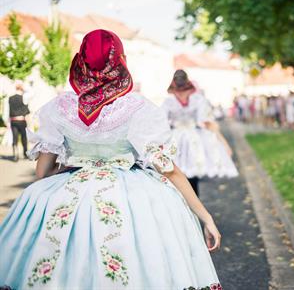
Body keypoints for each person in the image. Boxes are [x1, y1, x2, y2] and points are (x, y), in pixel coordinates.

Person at [0, 30, 222, 290]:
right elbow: (168, 170)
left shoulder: (59, 107)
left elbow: (42, 172)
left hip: (72, 187)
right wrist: (205, 217)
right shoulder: (136, 107)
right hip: (131, 192)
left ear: (80, 61)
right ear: (120, 61)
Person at [162, 69, 238, 197]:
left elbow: (208, 123)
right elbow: (161, 124)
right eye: (178, 91)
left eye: (183, 91)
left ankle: (193, 207)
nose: (181, 95)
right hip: (180, 139)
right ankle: (185, 207)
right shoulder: (169, 102)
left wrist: (224, 144)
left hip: (190, 139)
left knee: (191, 174)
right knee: (177, 174)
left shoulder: (196, 100)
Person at [7, 83, 30, 161]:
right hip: (21, 120)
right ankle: (25, 153)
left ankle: (15, 154)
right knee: (23, 137)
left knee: (15, 137)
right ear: (21, 89)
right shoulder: (24, 98)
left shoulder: (10, 98)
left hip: (13, 120)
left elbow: (9, 110)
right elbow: (26, 111)